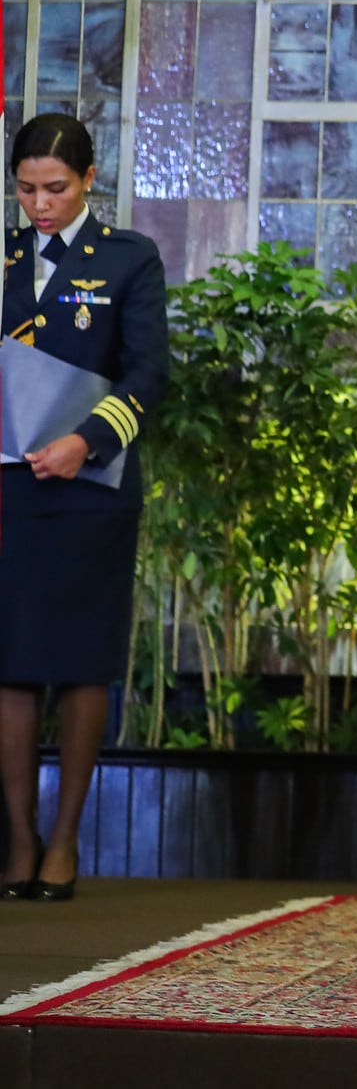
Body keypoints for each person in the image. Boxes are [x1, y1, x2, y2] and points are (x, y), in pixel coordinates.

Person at [2, 114, 169, 902]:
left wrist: (87, 440)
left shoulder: (129, 258)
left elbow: (148, 375)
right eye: (26, 189)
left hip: (90, 489)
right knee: (9, 667)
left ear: (90, 179)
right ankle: (19, 839)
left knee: (80, 663)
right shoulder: (3, 257)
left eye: (56, 188)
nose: (40, 204)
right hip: (8, 489)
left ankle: (64, 840)